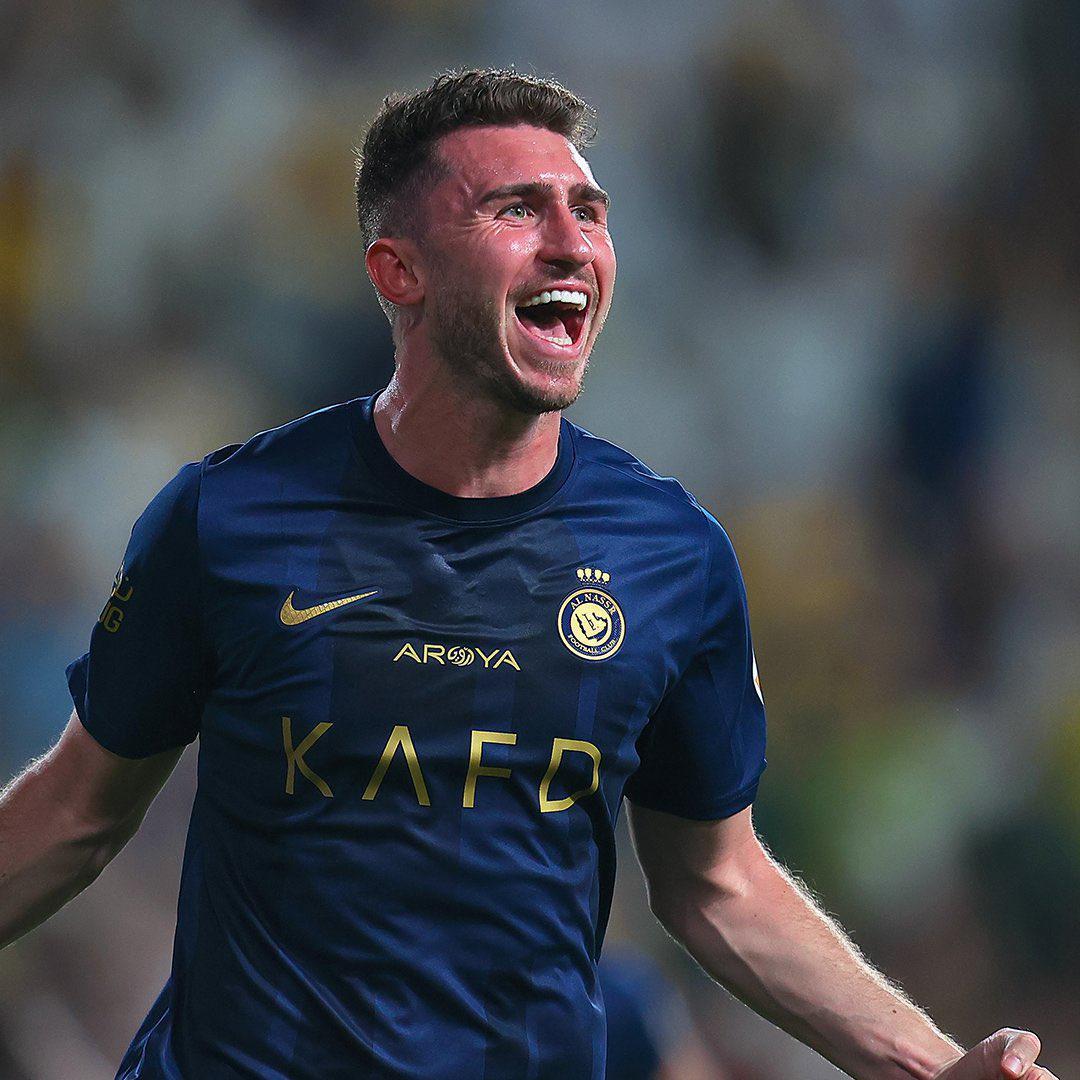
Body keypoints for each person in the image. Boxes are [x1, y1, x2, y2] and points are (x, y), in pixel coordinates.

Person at [0, 68, 1056, 1080]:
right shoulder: (230, 517)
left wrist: (933, 1065)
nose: (573, 242)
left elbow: (721, 885)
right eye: (516, 209)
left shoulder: (670, 554)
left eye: (588, 212)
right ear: (398, 271)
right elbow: (80, 812)